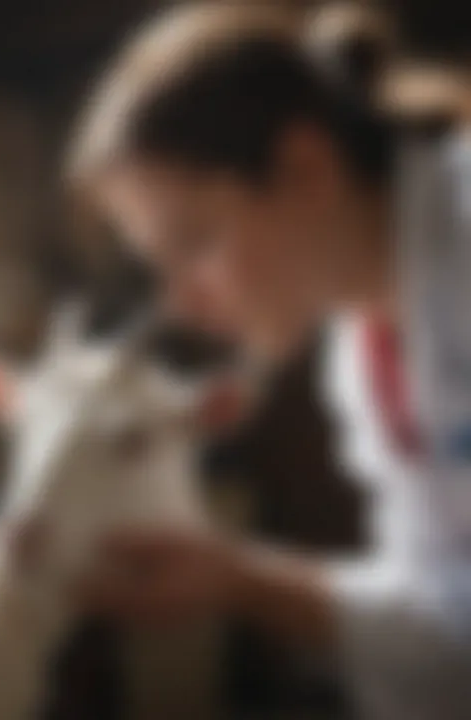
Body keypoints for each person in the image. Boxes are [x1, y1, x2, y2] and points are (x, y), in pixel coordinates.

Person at [62, 3, 471, 719]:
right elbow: (448, 618)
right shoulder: (362, 359)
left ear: (305, 169)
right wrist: (233, 580)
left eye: (195, 244)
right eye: (159, 268)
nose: (183, 305)